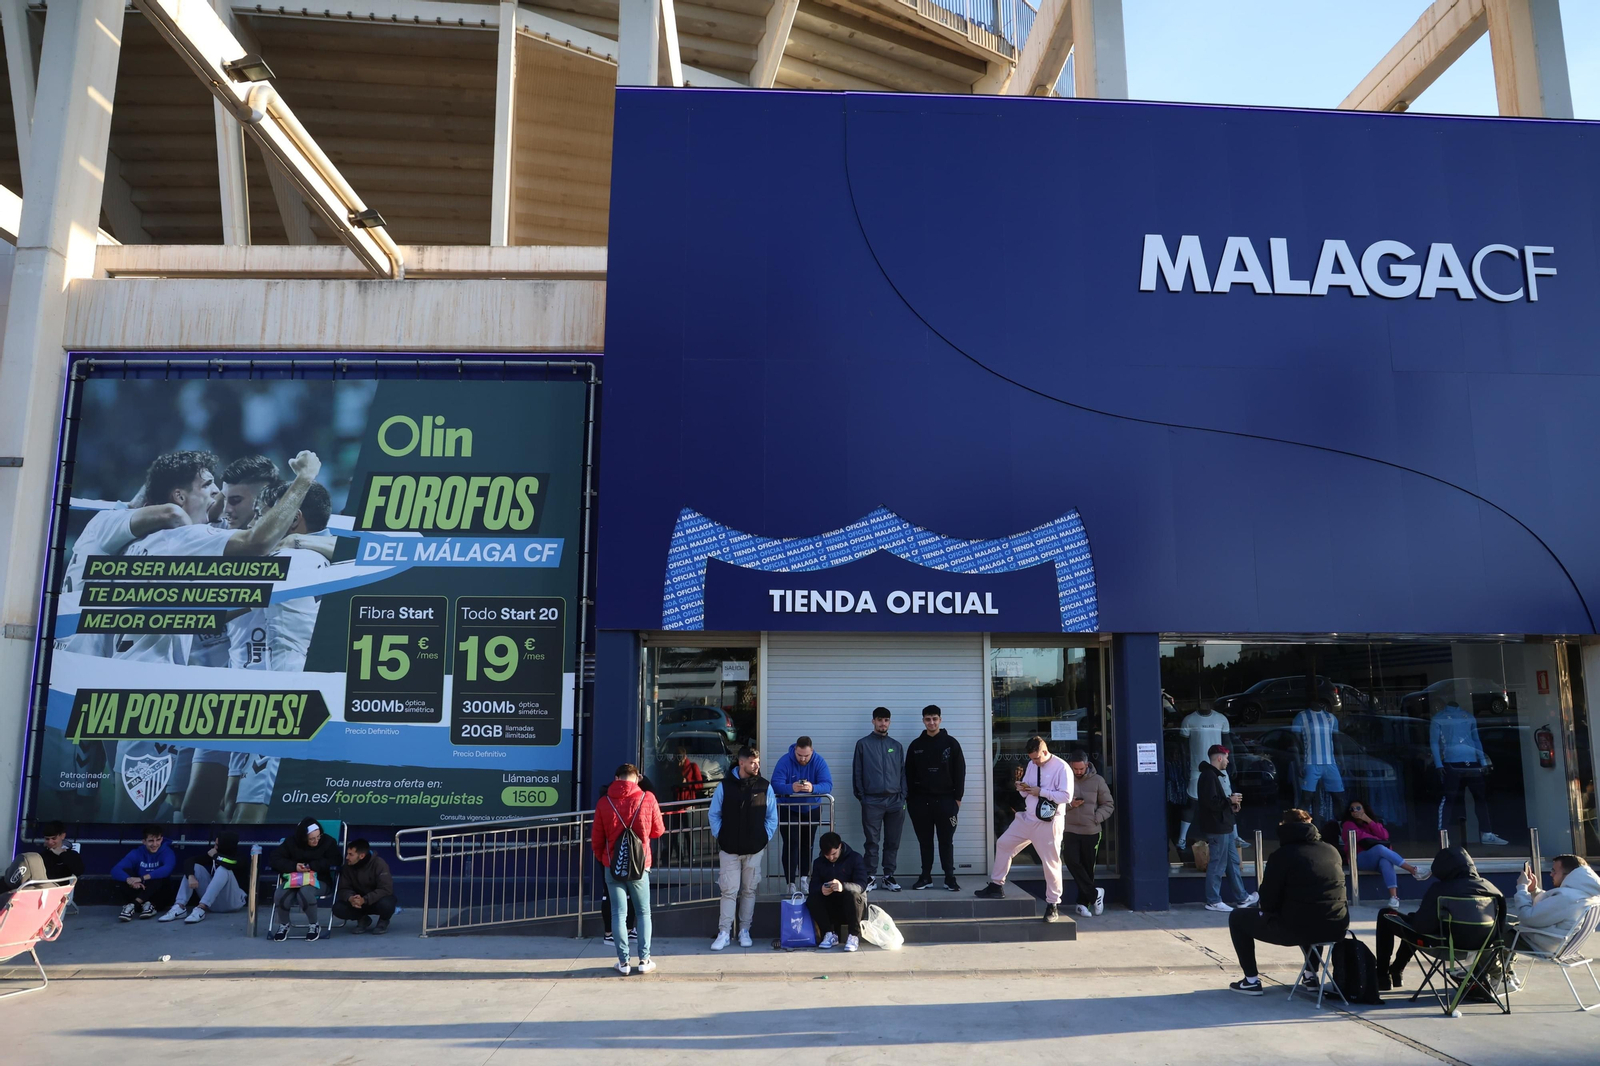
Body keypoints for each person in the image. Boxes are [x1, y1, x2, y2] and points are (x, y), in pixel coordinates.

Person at [1227, 809, 1348, 995]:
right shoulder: (1331, 851)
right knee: (1315, 910)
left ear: (1284, 827)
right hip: (1336, 927)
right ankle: (1310, 975)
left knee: (1237, 917)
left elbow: (1267, 901)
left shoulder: (1282, 856)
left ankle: (1251, 980)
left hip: (1294, 929)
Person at [975, 736, 1074, 923]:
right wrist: (1021, 787)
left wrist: (1040, 792)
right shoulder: (1031, 765)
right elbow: (1027, 789)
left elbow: (1067, 796)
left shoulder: (1061, 767)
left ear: (1045, 751)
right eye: (1031, 758)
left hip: (1049, 821)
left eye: (1037, 758)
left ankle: (1053, 904)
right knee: (1004, 844)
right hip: (1028, 817)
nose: (1034, 761)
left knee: (1051, 863)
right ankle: (997, 885)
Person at [1375, 845, 1500, 992]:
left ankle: (1382, 976)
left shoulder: (1441, 890)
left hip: (1444, 946)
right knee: (1412, 919)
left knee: (1387, 915)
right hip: (1481, 947)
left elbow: (1421, 927)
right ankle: (1396, 970)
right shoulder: (1490, 888)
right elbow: (1501, 925)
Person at [592, 764, 666, 973]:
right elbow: (658, 830)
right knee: (643, 913)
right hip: (641, 865)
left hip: (612, 864)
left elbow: (596, 839)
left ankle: (623, 962)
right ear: (637, 778)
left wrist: (604, 859)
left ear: (616, 778)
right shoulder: (647, 798)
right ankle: (644, 960)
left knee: (618, 914)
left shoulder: (604, 801)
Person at [708, 745, 777, 950]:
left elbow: (772, 816)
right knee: (729, 891)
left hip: (754, 849)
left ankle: (744, 930)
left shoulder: (765, 786)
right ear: (741, 762)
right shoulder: (725, 786)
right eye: (752, 762)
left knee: (749, 890)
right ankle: (724, 933)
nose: (756, 765)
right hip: (729, 849)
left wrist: (764, 837)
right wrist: (721, 835)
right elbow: (714, 814)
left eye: (758, 762)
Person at [1430, 696, 1508, 846]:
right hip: (1455, 763)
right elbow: (1434, 742)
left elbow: (1475, 740)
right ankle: (1443, 834)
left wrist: (1483, 760)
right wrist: (1439, 764)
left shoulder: (1465, 717)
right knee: (1452, 798)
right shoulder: (1439, 718)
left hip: (1468, 763)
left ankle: (1486, 833)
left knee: (1476, 798)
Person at [905, 705, 966, 892]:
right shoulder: (916, 745)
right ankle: (925, 877)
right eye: (928, 719)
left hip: (947, 801)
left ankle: (949, 877)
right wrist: (911, 800)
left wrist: (957, 799)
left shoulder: (951, 743)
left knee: (946, 841)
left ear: (940, 720)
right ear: (923, 720)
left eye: (935, 719)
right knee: (925, 841)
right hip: (920, 803)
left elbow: (960, 772)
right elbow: (908, 774)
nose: (931, 722)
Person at [770, 736, 833, 896]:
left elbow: (828, 784)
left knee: (808, 844)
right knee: (791, 844)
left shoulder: (818, 761)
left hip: (811, 808)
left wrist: (813, 787)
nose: (803, 759)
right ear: (795, 751)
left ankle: (804, 878)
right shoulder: (785, 760)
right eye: (799, 755)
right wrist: (791, 788)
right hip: (788, 808)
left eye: (806, 756)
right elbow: (775, 784)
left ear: (812, 751)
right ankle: (790, 882)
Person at [852, 707, 907, 891]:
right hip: (872, 801)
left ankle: (889, 876)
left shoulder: (896, 746)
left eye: (886, 720)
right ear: (873, 721)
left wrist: (902, 796)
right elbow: (857, 772)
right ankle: (871, 876)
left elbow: (902, 773)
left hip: (895, 802)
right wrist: (863, 797)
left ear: (889, 722)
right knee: (872, 841)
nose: (883, 723)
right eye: (879, 720)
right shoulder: (863, 744)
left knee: (893, 841)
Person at [1196, 745, 1256, 913]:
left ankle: (1242, 897)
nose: (1228, 761)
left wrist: (1231, 805)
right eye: (1227, 758)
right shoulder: (1208, 776)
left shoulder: (1211, 776)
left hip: (1224, 826)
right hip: (1217, 828)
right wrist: (1230, 800)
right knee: (1218, 864)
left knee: (1232, 862)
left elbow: (1215, 804)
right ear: (1219, 758)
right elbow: (1212, 803)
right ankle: (1213, 900)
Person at [1339, 800, 1428, 910]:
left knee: (1385, 861)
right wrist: (1378, 840)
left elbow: (1384, 835)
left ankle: (1394, 897)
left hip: (1375, 859)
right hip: (1358, 858)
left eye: (1358, 808)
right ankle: (1412, 870)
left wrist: (1368, 820)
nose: (1355, 811)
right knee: (1380, 848)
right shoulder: (1348, 824)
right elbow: (1361, 836)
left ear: (1364, 809)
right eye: (1352, 809)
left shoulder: (1371, 823)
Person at [1509, 854, 1600, 954]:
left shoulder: (1567, 898)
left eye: (1554, 871)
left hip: (1543, 945)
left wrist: (1522, 888)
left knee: (1497, 929)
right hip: (1565, 947)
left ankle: (1497, 968)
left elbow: (1527, 917)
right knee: (1507, 921)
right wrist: (1534, 890)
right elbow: (1553, 906)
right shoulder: (1590, 894)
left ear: (1568, 874)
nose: (1551, 874)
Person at [268, 817, 340, 941]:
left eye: (318, 837)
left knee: (305, 893)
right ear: (303, 838)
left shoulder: (328, 842)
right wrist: (294, 866)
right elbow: (275, 859)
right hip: (294, 878)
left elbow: (336, 860)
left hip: (319, 880)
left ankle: (314, 924)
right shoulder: (291, 842)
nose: (316, 841)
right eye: (312, 839)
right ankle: (284, 924)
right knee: (280, 894)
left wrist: (312, 866)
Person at [1060, 751, 1114, 917]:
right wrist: (1071, 805)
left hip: (1090, 830)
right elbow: (1056, 802)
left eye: (1081, 768)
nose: (1078, 772)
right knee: (1071, 860)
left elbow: (1108, 805)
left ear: (1087, 765)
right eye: (1075, 769)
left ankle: (1083, 904)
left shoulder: (1097, 781)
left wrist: (1096, 818)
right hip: (1069, 829)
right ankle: (1095, 893)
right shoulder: (1064, 780)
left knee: (1087, 867)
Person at [160, 830, 247, 924]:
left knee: (223, 869)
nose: (215, 847)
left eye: (217, 845)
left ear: (226, 845)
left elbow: (231, 863)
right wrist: (191, 876)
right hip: (213, 904)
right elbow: (189, 861)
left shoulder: (240, 857)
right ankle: (180, 906)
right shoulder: (214, 854)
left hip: (233, 903)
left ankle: (201, 908)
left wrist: (215, 855)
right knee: (195, 867)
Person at [808, 831, 868, 951]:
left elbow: (861, 885)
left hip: (853, 907)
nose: (831, 858)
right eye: (827, 855)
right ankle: (828, 934)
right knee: (812, 899)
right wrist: (821, 889)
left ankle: (853, 936)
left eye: (834, 854)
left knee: (853, 895)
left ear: (840, 846)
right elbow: (812, 887)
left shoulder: (855, 858)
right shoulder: (818, 862)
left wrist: (843, 886)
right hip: (831, 907)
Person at [111, 825, 178, 921]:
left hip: (159, 896)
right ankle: (145, 906)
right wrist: (130, 880)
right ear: (144, 841)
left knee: (159, 876)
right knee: (125, 873)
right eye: (151, 841)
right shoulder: (137, 852)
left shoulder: (167, 852)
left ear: (162, 839)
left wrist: (142, 878)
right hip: (140, 889)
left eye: (158, 840)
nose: (155, 844)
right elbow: (115, 870)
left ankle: (133, 905)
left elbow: (167, 869)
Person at [1291, 697, 1344, 816]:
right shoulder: (1301, 717)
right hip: (1311, 763)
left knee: (1338, 797)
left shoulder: (1331, 718)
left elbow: (1337, 741)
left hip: (1330, 763)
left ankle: (1342, 828)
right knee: (1306, 798)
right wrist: (1299, 763)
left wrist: (1342, 761)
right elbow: (1295, 742)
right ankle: (1298, 826)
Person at [333, 839, 397, 934]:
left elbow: (386, 889)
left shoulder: (379, 864)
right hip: (357, 903)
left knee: (388, 903)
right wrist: (351, 898)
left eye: (351, 854)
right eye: (347, 854)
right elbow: (343, 888)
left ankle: (383, 921)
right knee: (338, 908)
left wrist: (365, 899)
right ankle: (363, 919)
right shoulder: (348, 866)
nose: (347, 857)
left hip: (376, 900)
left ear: (361, 856)